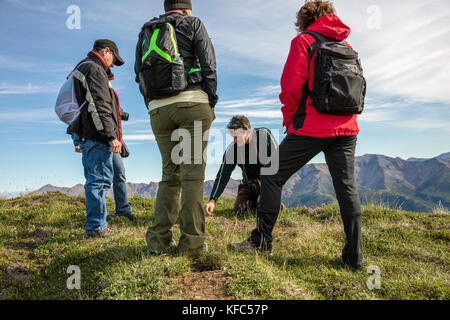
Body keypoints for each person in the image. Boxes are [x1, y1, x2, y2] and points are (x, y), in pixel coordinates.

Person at [229, 0, 364, 270]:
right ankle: (354, 257)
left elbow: (290, 86)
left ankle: (262, 241)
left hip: (312, 126)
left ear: (305, 19)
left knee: (271, 174)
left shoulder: (304, 41)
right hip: (347, 128)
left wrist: (290, 120)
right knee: (347, 190)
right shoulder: (347, 46)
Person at [135, 0, 218, 255]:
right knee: (192, 175)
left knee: (170, 175)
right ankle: (192, 245)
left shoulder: (147, 31)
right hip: (192, 104)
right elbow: (209, 65)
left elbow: (138, 72)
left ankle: (158, 242)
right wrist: (210, 100)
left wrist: (152, 104)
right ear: (187, 8)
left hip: (158, 111)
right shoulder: (193, 24)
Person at [67, 39, 126, 238]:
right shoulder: (94, 69)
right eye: (113, 60)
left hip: (85, 132)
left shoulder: (82, 66)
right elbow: (99, 105)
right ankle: (97, 228)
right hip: (96, 134)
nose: (112, 64)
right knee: (99, 180)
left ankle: (97, 225)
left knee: (95, 179)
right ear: (106, 51)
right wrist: (111, 136)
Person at [204, 115, 279, 215]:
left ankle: (273, 204)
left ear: (248, 132)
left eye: (237, 137)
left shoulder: (264, 136)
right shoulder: (232, 150)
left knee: (265, 207)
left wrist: (269, 189)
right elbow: (222, 177)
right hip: (249, 185)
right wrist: (212, 200)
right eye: (232, 137)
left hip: (269, 182)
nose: (235, 141)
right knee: (240, 211)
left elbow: (279, 161)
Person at [72, 134, 136, 222]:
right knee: (96, 178)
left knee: (120, 173)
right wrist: (76, 140)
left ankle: (123, 210)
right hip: (93, 140)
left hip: (110, 139)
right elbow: (74, 121)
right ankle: (99, 215)